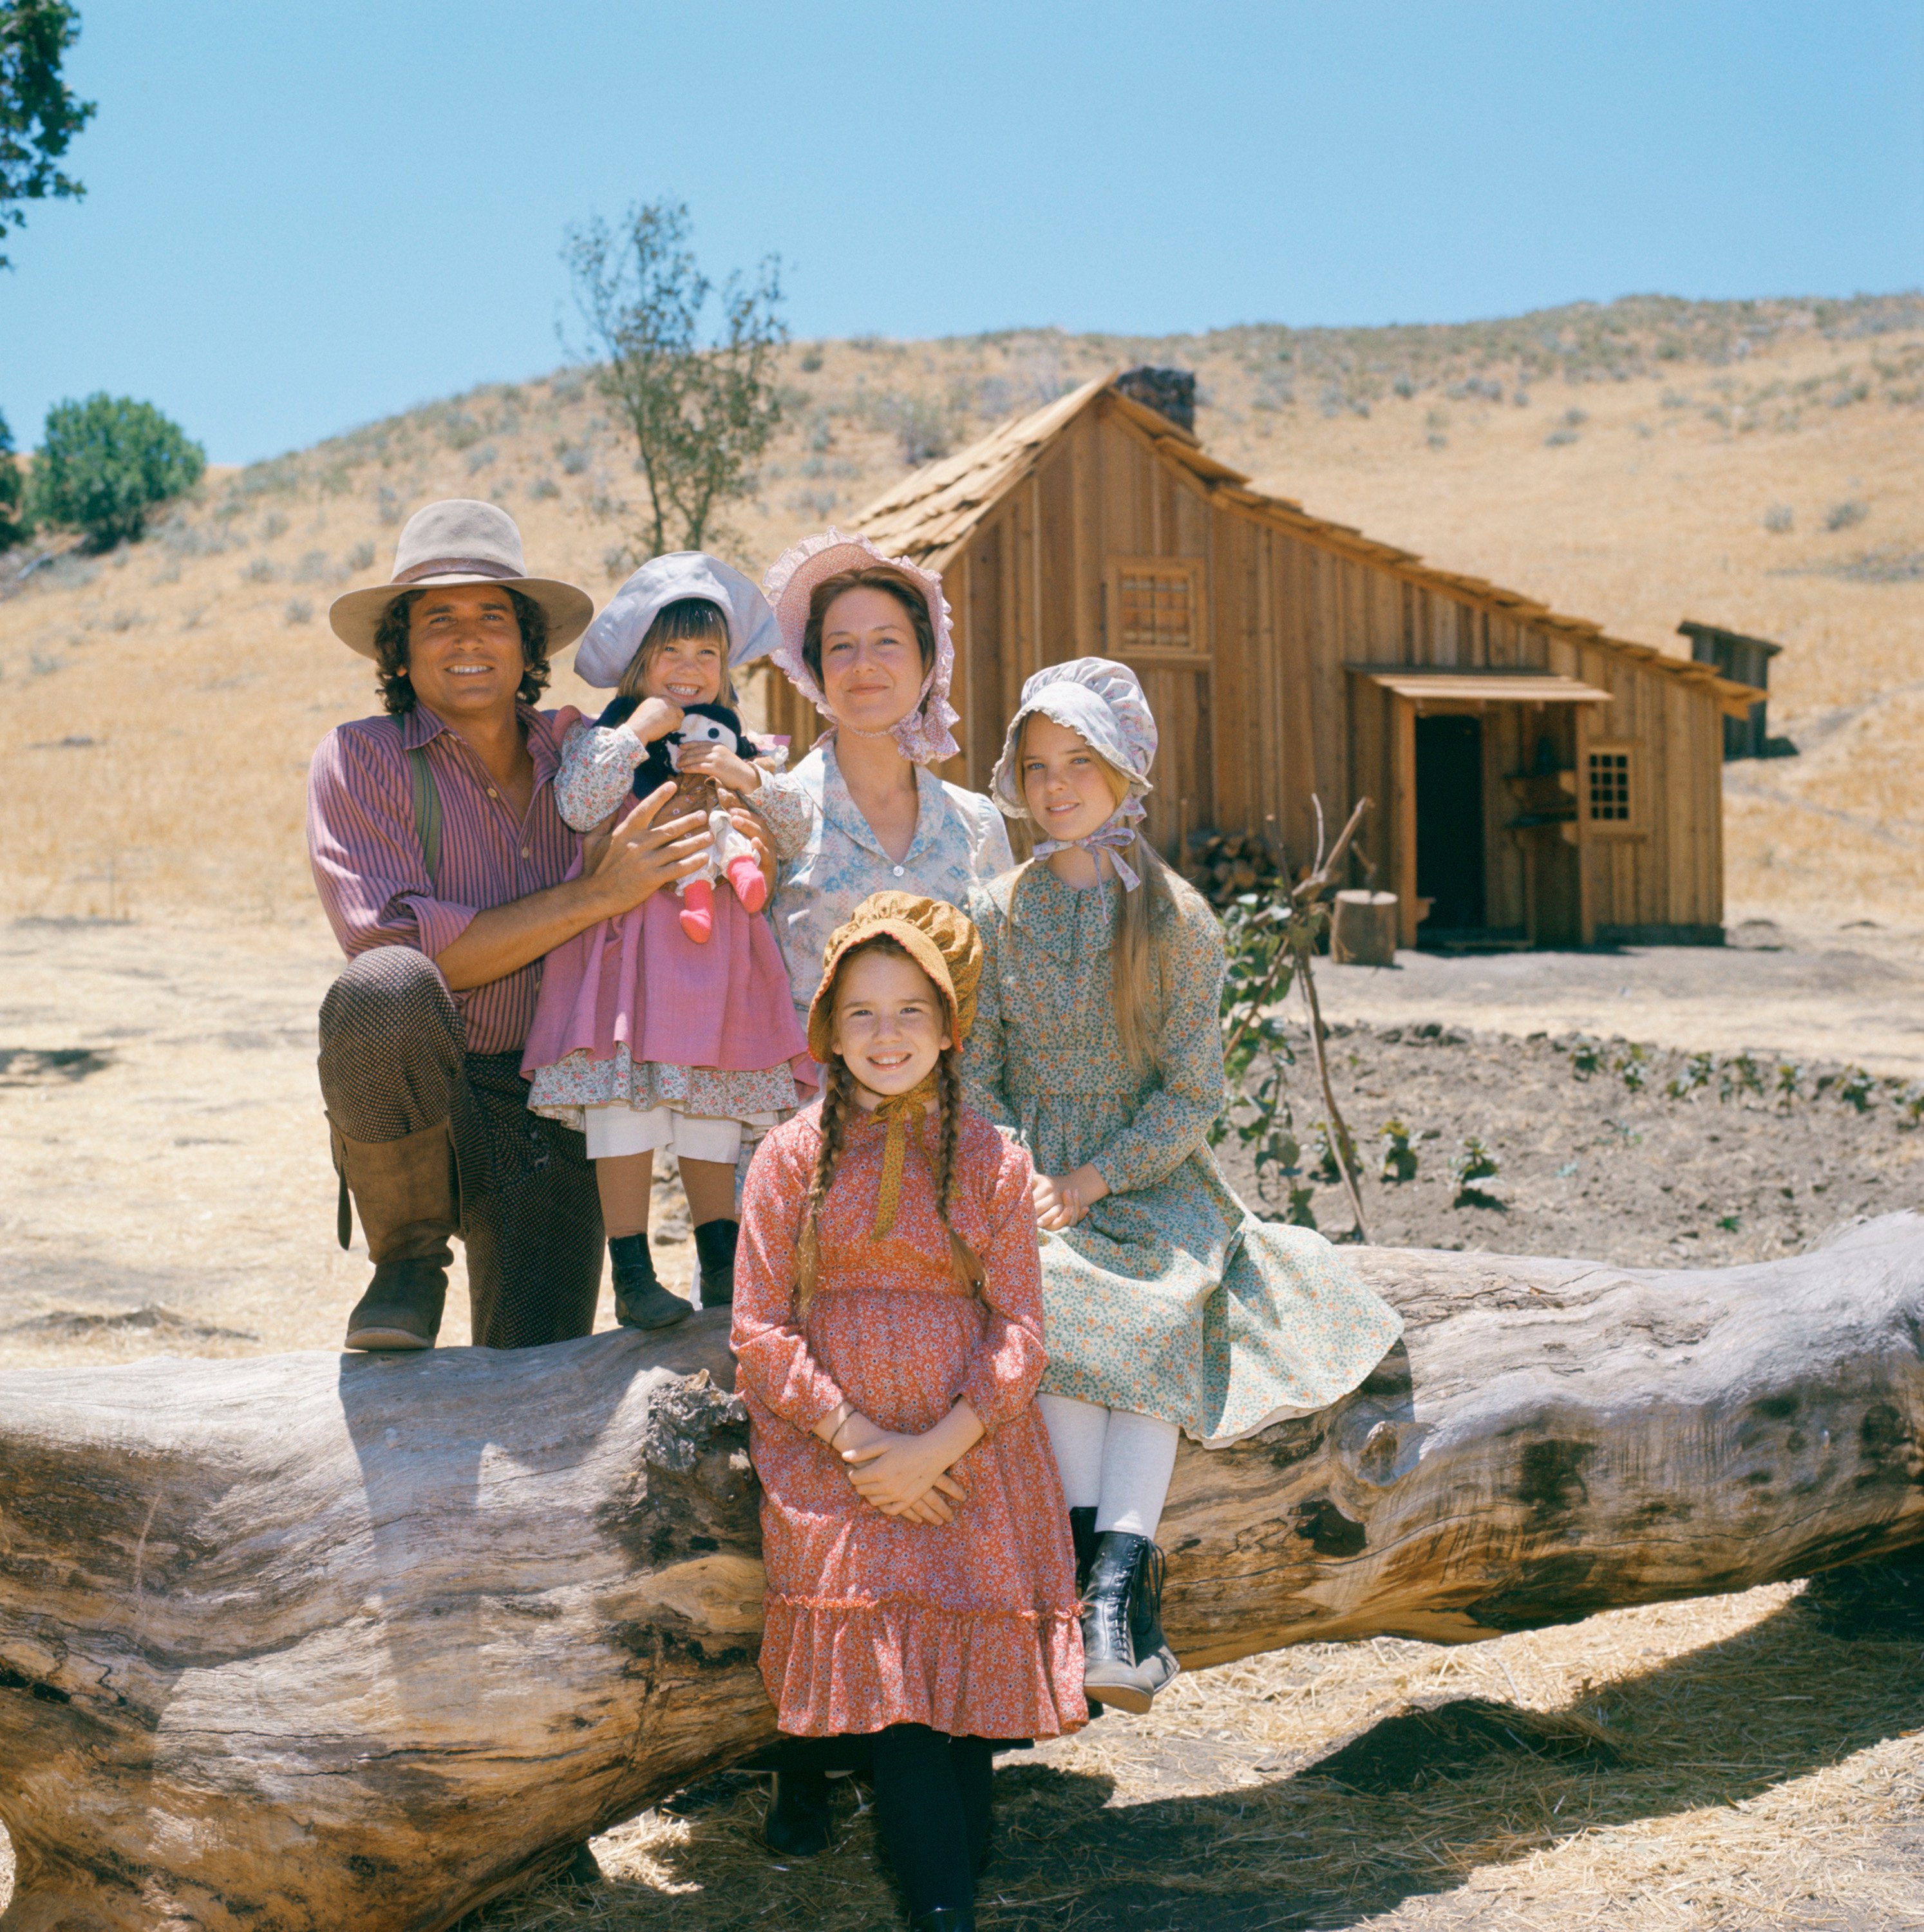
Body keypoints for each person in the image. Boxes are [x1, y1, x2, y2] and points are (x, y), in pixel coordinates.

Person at [965, 658, 1404, 1714]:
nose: (1056, 786)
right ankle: (1102, 1605)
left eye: (1080, 762)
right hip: (1031, 1177)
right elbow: (976, 1072)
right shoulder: (994, 913)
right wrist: (1022, 1169)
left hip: (1147, 1174)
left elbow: (1193, 1093)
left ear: (1125, 775)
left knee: (1155, 1311)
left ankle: (1110, 1592)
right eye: (1037, 766)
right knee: (1053, 1295)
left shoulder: (1174, 921)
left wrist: (1096, 1176)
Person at [731, 893, 1083, 1932]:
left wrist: (939, 1446)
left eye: (908, 1013)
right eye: (862, 1014)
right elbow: (759, 1329)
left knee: (948, 1710)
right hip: (830, 1455)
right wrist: (862, 1446)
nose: (886, 1037)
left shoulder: (992, 1160)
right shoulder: (788, 1157)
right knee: (896, 1667)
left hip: (967, 1448)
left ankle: (937, 1870)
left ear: (948, 1027)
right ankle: (940, 1911)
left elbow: (1020, 1329)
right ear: (828, 1031)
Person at [307, 500, 713, 1354]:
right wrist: (593, 897)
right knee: (384, 987)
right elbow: (397, 949)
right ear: (399, 651)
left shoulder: (586, 753)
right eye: (438, 619)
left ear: (530, 647)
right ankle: (407, 1261)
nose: (468, 638)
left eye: (493, 616)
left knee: (535, 1377)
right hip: (428, 1084)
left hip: (555, 1098)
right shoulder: (360, 759)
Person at [521, 553, 806, 1328]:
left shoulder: (741, 746)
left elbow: (794, 831)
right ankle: (634, 1274)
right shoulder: (604, 737)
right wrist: (640, 728)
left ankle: (721, 1266)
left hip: (718, 960)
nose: (688, 668)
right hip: (630, 956)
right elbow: (580, 807)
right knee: (624, 1107)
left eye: (706, 653)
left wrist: (746, 778)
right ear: (638, 660)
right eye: (669, 651)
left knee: (712, 1109)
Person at [740, 530, 1014, 1052]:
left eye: (887, 641)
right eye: (841, 646)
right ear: (817, 672)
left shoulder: (977, 823)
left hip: (954, 1100)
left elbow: (1002, 993)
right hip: (813, 1100)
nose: (863, 663)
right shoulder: (775, 811)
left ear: (928, 663)